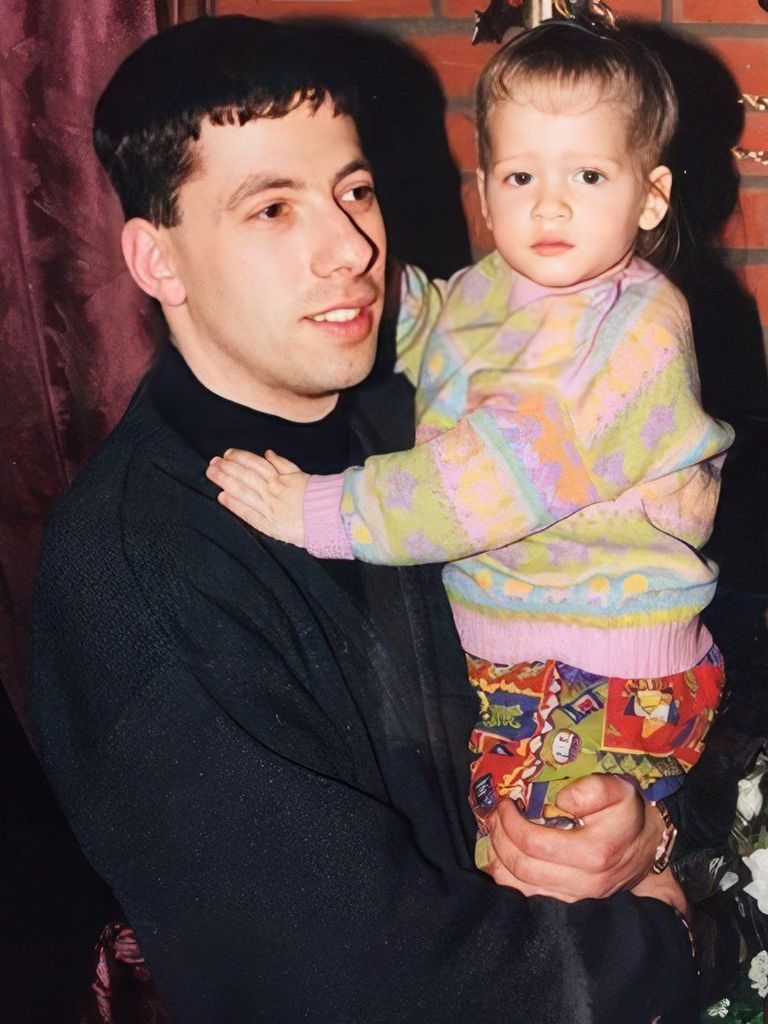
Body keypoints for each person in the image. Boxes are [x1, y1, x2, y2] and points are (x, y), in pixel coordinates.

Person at [30, 14, 699, 1024]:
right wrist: (671, 939)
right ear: (157, 261)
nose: (351, 249)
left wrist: (643, 832)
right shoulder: (133, 577)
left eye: (354, 191)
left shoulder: (414, 419)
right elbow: (361, 978)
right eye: (272, 209)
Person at [207, 2, 733, 868]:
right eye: (521, 176)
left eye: (588, 175)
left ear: (651, 197)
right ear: (485, 192)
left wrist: (319, 510)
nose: (550, 203)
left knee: (539, 872)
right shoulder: (497, 288)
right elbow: (441, 326)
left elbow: (488, 480)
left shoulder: (632, 335)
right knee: (506, 859)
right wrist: (371, 285)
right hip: (512, 650)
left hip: (604, 666)